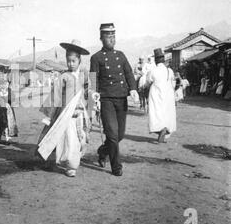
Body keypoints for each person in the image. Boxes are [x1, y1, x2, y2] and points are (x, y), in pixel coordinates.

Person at [36, 40, 93, 177]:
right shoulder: (63, 77)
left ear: (79, 60)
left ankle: (72, 159)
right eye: (68, 61)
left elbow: (89, 90)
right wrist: (50, 115)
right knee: (69, 140)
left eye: (73, 61)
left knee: (79, 139)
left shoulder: (84, 75)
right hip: (66, 115)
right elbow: (55, 96)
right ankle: (71, 166)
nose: (70, 64)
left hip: (80, 114)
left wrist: (92, 96)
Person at [90, 23, 139, 176]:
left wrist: (133, 89)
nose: (111, 39)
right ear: (101, 38)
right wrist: (94, 98)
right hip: (106, 100)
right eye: (108, 36)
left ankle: (102, 151)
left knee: (120, 135)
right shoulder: (96, 57)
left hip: (121, 99)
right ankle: (116, 167)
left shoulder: (121, 55)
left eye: (113, 36)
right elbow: (93, 79)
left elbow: (129, 73)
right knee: (112, 134)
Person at [146, 49, 176, 143]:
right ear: (163, 60)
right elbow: (173, 83)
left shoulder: (153, 70)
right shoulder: (169, 70)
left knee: (156, 112)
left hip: (156, 93)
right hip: (168, 93)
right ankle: (165, 129)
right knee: (166, 112)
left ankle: (160, 130)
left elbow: (148, 81)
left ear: (156, 60)